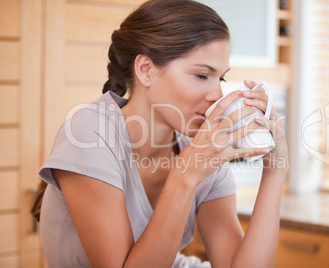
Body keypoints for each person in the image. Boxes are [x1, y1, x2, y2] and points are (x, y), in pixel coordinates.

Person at [32, 0, 289, 267]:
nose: (217, 95)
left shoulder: (200, 146)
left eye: (220, 78)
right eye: (202, 75)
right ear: (146, 70)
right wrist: (186, 173)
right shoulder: (89, 134)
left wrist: (274, 169)